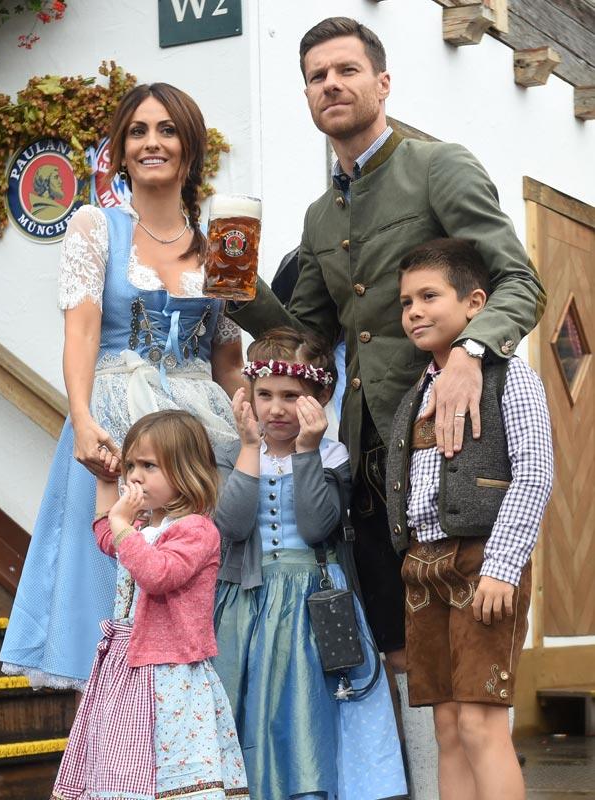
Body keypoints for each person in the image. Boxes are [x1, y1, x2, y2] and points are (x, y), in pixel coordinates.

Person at [224, 17, 546, 793]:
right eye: (315, 76)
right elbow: (302, 339)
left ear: (382, 82)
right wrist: (232, 287)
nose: (330, 85)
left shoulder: (438, 169)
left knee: (474, 693)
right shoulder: (317, 218)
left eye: (345, 70)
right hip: (371, 472)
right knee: (410, 665)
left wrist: (473, 353)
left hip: (456, 454)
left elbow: (519, 281)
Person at [0, 82, 242, 689]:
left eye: (166, 130)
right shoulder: (93, 225)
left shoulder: (223, 243)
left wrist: (254, 426)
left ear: (190, 149)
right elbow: (80, 335)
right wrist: (81, 418)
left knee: (190, 579)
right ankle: (114, 750)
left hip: (196, 434)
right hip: (116, 421)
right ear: (120, 149)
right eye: (138, 130)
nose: (151, 142)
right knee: (111, 576)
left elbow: (227, 359)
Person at [385, 239, 553, 800]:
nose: (414, 311)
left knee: (482, 724)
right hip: (423, 569)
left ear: (476, 302)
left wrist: (503, 566)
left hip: (485, 563)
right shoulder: (415, 394)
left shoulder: (513, 376)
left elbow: (534, 474)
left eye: (429, 296)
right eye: (406, 301)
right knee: (448, 727)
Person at [212, 327, 407, 800]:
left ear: (319, 396)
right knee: (253, 704)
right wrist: (249, 449)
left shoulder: (331, 454)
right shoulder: (232, 452)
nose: (276, 408)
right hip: (247, 602)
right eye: (265, 395)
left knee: (310, 707)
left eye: (291, 396)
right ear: (249, 396)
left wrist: (304, 453)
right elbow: (231, 526)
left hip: (314, 601)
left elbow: (317, 524)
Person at [51, 410, 249, 800]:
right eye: (131, 466)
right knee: (122, 772)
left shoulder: (196, 530)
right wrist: (106, 483)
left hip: (170, 678)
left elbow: (157, 573)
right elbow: (108, 538)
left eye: (149, 466)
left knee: (166, 770)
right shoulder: (143, 529)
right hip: (127, 668)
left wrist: (124, 524)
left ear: (186, 471)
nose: (136, 476)